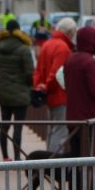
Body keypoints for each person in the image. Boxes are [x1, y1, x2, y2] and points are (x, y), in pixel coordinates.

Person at [33, 17, 76, 154]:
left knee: (52, 129)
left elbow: (38, 70)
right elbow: (57, 74)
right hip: (59, 94)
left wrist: (39, 87)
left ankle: (48, 160)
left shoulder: (47, 44)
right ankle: (54, 163)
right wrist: (47, 87)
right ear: (69, 32)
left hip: (48, 94)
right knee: (60, 129)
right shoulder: (63, 48)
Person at [0, 19, 34, 160]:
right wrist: (29, 85)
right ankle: (17, 158)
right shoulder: (24, 49)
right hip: (20, 93)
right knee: (18, 127)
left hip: (3, 91)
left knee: (4, 125)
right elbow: (29, 72)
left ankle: (5, 156)